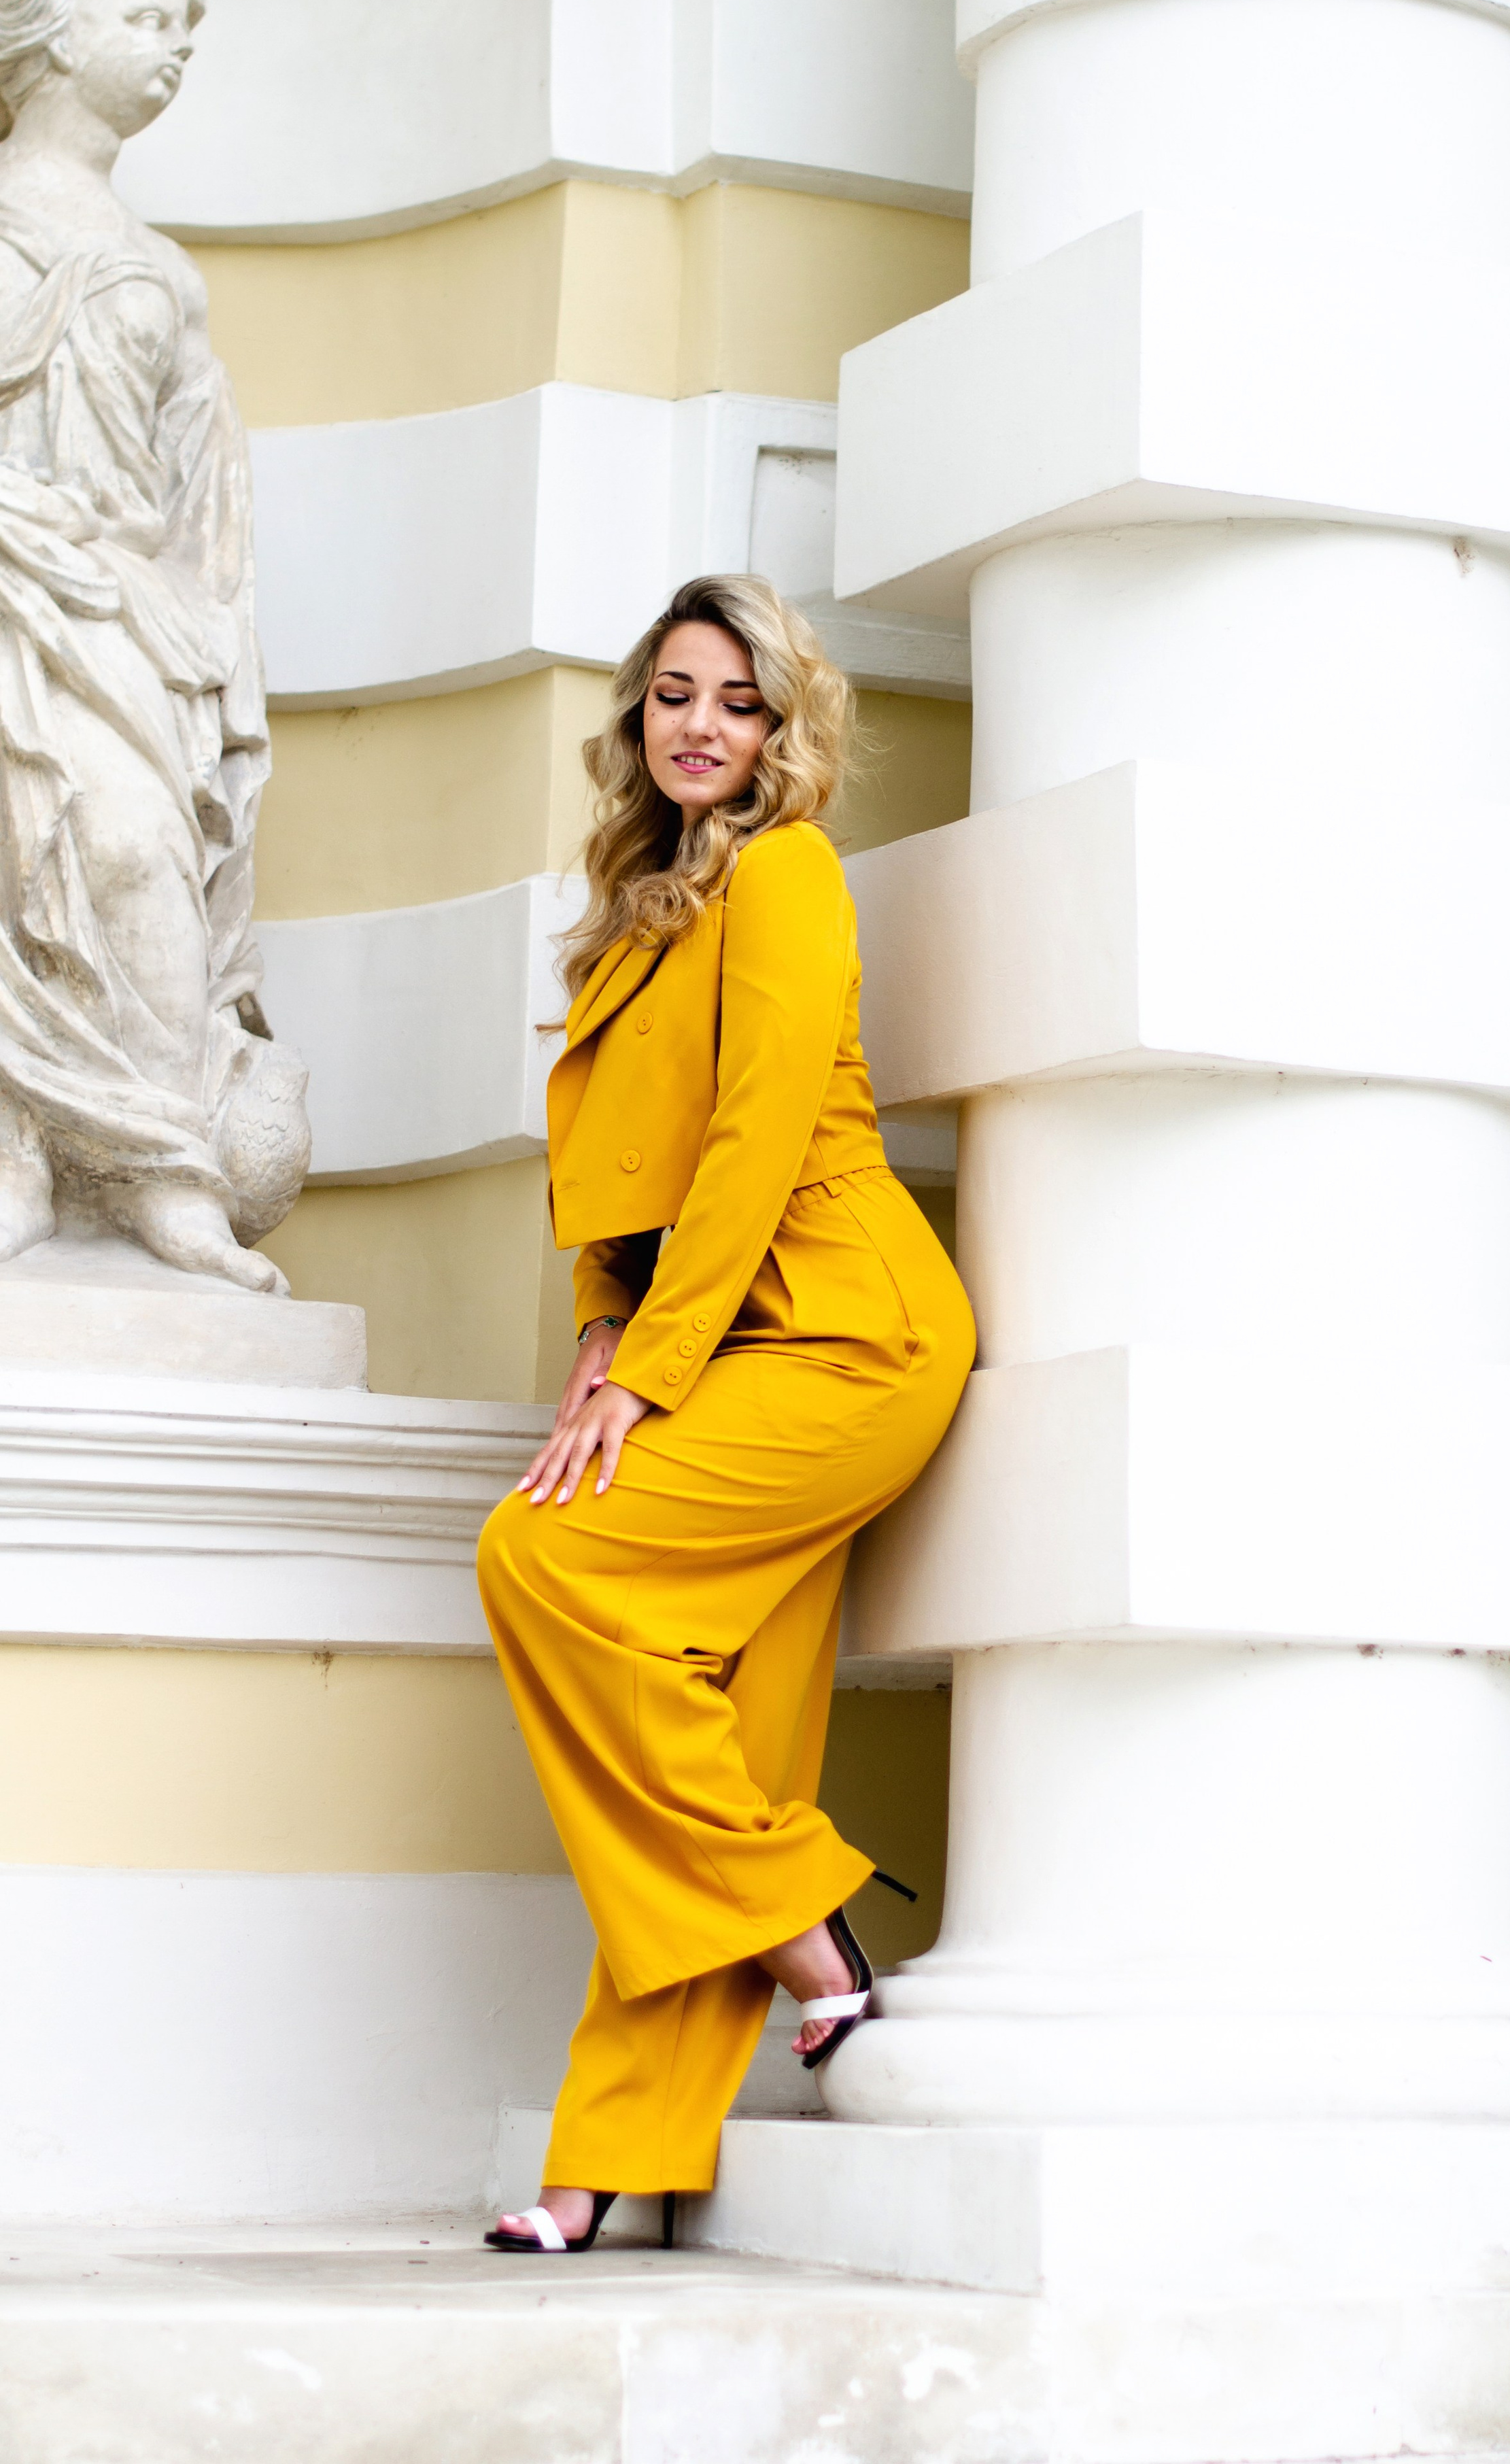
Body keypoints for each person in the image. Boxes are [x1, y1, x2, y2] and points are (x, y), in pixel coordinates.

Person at [476, 572, 974, 2253]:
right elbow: (625, 1185)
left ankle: (801, 1919)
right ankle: (609, 2143)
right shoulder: (639, 911)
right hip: (728, 1332)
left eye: (738, 700)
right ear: (638, 719)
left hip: (845, 1334)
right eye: (675, 694)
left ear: (782, 729)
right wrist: (601, 1333)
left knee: (544, 1564)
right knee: (697, 1731)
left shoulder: (787, 872)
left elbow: (757, 1140)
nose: (702, 724)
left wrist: (650, 1369)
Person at [0, 0, 307, 1288]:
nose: (174, 48)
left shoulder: (164, 268)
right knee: (20, 861)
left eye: (186, 27)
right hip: (10, 581)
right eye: (146, 19)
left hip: (115, 612)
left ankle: (158, 1172)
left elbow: (200, 502)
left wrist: (203, 640)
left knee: (136, 856)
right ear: (57, 30)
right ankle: (22, 1162)